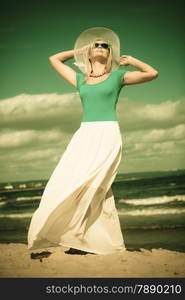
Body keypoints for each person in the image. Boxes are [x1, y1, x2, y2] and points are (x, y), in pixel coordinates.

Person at [27, 27, 158, 256]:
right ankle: (77, 238)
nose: (99, 47)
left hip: (107, 134)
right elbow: (54, 59)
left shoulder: (118, 76)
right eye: (95, 45)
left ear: (110, 53)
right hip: (84, 135)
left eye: (104, 45)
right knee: (69, 182)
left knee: (97, 187)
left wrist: (133, 60)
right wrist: (79, 49)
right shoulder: (80, 80)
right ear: (88, 52)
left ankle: (84, 241)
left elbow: (152, 73)